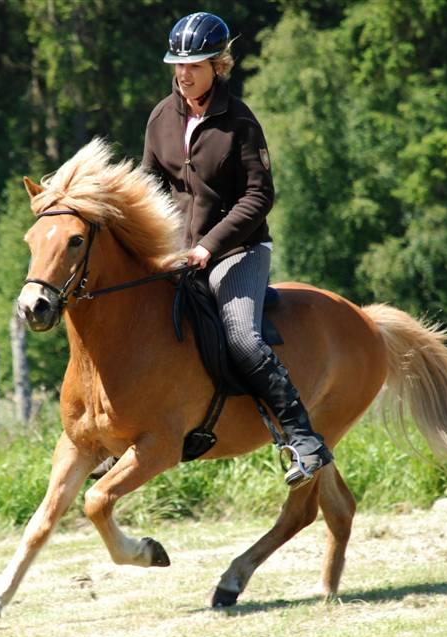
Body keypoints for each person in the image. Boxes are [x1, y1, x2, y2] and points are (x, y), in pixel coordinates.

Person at [142, 12, 333, 489]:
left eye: (196, 65)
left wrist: (209, 246)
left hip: (238, 252)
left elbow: (258, 196)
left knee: (244, 340)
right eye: (178, 65)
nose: (184, 74)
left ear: (219, 65)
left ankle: (303, 439)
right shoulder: (161, 117)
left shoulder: (241, 122)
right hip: (177, 256)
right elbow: (147, 186)